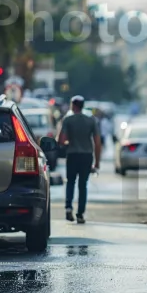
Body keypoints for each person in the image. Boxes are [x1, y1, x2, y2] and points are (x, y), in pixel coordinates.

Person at [58, 95, 102, 224]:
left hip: (72, 155)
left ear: (73, 105)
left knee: (70, 182)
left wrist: (66, 143)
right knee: (83, 185)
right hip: (86, 156)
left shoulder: (68, 119)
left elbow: (61, 140)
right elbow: (97, 142)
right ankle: (80, 214)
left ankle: (68, 207)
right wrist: (97, 162)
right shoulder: (91, 120)